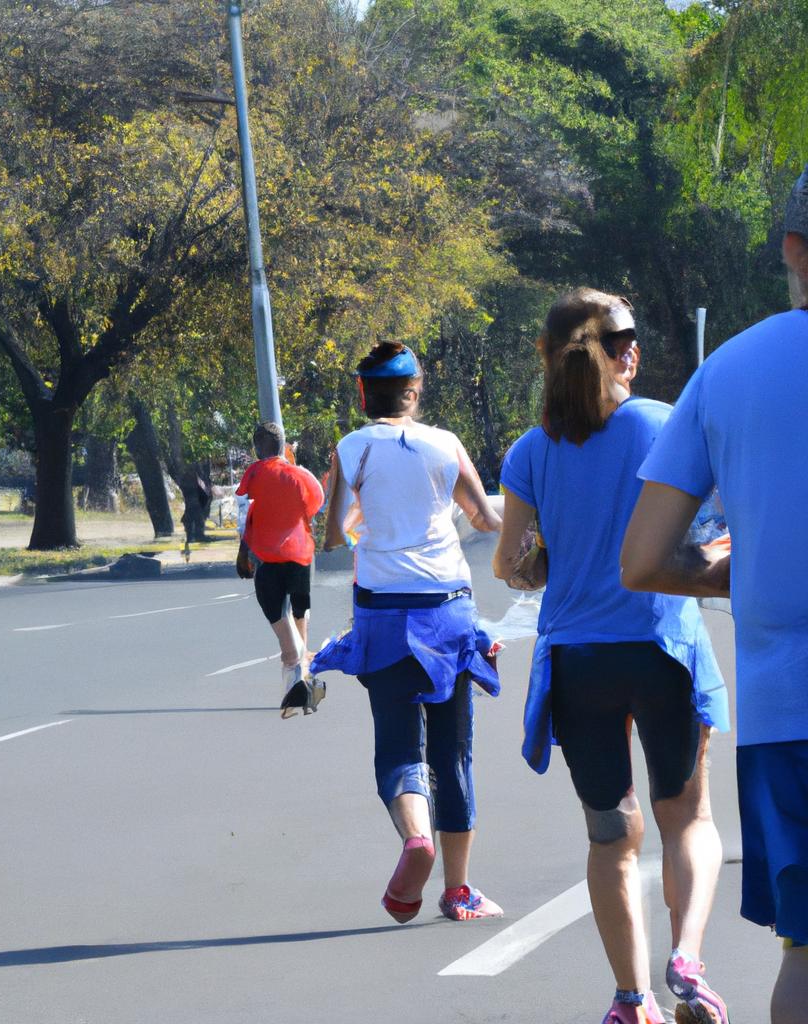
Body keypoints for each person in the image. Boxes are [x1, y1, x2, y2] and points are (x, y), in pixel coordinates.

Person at [493, 289, 730, 1024]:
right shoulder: (663, 425)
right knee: (686, 819)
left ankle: (632, 1001)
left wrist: (545, 560)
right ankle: (687, 960)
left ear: (546, 355)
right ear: (627, 353)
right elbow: (711, 530)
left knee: (610, 834)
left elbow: (512, 564)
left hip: (578, 665)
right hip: (662, 647)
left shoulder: (531, 451)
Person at [621, 164, 808, 1024]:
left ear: (793, 249)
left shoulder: (729, 371)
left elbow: (645, 559)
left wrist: (751, 570)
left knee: (805, 953)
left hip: (787, 716)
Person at [311, 341, 504, 924]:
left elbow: (333, 537)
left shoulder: (350, 449)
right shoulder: (446, 445)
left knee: (398, 745)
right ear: (415, 392)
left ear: (363, 394)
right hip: (448, 612)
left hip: (383, 616)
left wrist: (368, 519)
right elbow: (486, 519)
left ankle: (415, 836)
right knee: (455, 751)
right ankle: (459, 890)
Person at [235, 421, 326, 718]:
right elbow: (316, 505)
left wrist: (243, 552)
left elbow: (246, 513)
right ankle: (302, 681)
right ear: (283, 445)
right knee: (300, 617)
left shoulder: (255, 473)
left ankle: (297, 679)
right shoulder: (302, 475)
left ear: (257, 447)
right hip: (301, 558)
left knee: (281, 623)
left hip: (268, 561)